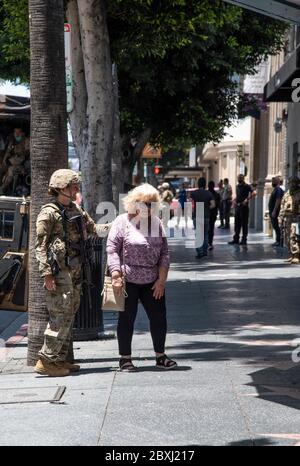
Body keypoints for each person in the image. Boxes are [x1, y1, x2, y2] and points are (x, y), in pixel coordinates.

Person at [34, 169, 111, 377]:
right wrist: (47, 275)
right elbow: (40, 247)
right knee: (60, 316)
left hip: (76, 272)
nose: (77, 189)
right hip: (60, 274)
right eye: (73, 186)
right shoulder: (48, 213)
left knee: (69, 316)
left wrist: (120, 223)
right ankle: (46, 360)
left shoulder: (76, 209)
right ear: (61, 187)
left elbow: (95, 229)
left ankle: (60, 360)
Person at [106, 183, 177, 371]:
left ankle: (160, 356)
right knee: (127, 319)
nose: (148, 207)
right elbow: (112, 249)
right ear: (134, 203)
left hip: (152, 281)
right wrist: (115, 274)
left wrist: (161, 281)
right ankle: (125, 358)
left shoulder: (156, 223)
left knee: (159, 318)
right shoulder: (122, 221)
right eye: (145, 203)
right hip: (128, 279)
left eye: (152, 204)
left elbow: (164, 253)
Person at [190, 177, 215, 258]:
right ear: (205, 184)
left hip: (197, 216)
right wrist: (207, 208)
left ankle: (199, 252)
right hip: (206, 216)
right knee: (205, 234)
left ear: (198, 184)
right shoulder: (209, 193)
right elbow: (213, 205)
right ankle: (205, 251)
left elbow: (191, 204)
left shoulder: (194, 193)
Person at [0, 128, 30, 194]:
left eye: (18, 132)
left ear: (22, 133)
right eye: (15, 132)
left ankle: (3, 189)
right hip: (12, 162)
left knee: (11, 170)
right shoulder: (12, 140)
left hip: (23, 164)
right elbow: (8, 151)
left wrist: (20, 154)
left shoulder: (26, 140)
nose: (16, 134)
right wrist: (4, 161)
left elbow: (28, 153)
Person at [228, 174, 256, 246]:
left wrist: (247, 199)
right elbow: (238, 196)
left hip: (244, 207)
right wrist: (234, 201)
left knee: (244, 224)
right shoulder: (237, 186)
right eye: (238, 177)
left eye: (240, 178)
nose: (239, 179)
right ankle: (236, 239)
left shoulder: (247, 186)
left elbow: (254, 192)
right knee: (237, 224)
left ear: (243, 178)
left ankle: (244, 239)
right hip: (237, 207)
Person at [278, 176, 300, 264]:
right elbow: (282, 206)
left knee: (294, 236)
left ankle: (297, 255)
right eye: (290, 183)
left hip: (296, 217)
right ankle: (291, 254)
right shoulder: (287, 193)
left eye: (293, 182)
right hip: (287, 218)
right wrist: (280, 218)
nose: (292, 184)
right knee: (287, 236)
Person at [269, 176, 284, 247]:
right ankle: (278, 240)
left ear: (278, 181)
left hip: (276, 211)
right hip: (272, 211)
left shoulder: (278, 189)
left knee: (277, 226)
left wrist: (274, 211)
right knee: (275, 226)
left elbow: (278, 200)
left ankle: (279, 241)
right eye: (272, 181)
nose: (272, 182)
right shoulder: (275, 189)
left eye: (274, 181)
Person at [208, 181, 220, 250]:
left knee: (206, 228)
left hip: (206, 213)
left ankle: (206, 242)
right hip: (213, 214)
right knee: (211, 228)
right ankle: (210, 243)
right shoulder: (216, 194)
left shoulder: (206, 193)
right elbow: (218, 204)